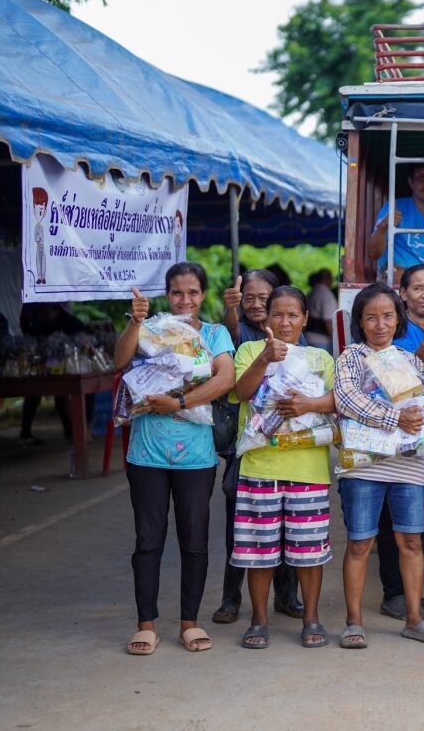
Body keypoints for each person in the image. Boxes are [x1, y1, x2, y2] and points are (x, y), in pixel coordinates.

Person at [114, 262, 235, 655]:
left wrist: (177, 402)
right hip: (147, 453)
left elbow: (225, 378)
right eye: (177, 292)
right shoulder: (150, 330)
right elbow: (119, 362)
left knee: (194, 541)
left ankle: (189, 623)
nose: (185, 300)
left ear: (203, 295)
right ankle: (145, 624)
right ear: (168, 294)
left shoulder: (215, 334)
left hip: (196, 456)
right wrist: (135, 323)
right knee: (148, 540)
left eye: (193, 292)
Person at [334, 283, 424, 648]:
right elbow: (347, 400)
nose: (380, 324)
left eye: (387, 316)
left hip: (407, 465)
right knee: (359, 543)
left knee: (411, 541)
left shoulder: (410, 360)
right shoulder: (351, 357)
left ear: (398, 319)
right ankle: (354, 623)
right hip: (364, 465)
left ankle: (414, 619)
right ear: (360, 322)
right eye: (371, 317)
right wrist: (394, 418)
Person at [230, 286, 335, 650]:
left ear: (305, 319)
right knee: (259, 552)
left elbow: (336, 401)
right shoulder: (248, 350)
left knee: (309, 552)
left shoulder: (320, 358)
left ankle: (311, 618)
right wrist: (263, 359)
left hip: (308, 468)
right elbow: (241, 393)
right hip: (260, 466)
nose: (285, 321)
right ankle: (259, 621)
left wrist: (309, 403)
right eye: (278, 314)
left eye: (293, 315)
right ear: (266, 318)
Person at [213, 268, 304, 622]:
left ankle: (287, 595)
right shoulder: (235, 335)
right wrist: (231, 309)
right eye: (247, 297)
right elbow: (232, 329)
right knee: (240, 523)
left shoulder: (294, 338)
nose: (254, 304)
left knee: (286, 524)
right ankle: (231, 599)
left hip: (283, 445)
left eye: (262, 298)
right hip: (244, 444)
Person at [376, 264, 424, 620]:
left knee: (413, 523)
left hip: (423, 442)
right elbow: (394, 383)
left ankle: (406, 589)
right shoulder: (395, 330)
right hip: (393, 442)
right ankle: (394, 593)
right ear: (403, 293)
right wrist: (423, 352)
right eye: (417, 288)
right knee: (391, 522)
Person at [366, 164, 424, 283]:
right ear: (411, 183)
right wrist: (383, 227)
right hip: (393, 279)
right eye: (421, 177)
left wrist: (414, 278)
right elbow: (373, 255)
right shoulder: (393, 208)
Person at [17, 302, 89, 445]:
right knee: (33, 394)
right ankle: (25, 433)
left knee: (62, 397)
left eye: (46, 312)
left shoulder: (68, 322)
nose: (43, 315)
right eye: (41, 312)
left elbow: (84, 340)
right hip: (40, 364)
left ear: (55, 310)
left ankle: (71, 433)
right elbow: (28, 334)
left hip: (66, 365)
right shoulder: (37, 321)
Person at [305, 268, 337, 352]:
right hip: (321, 339)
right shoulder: (326, 294)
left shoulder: (312, 292)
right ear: (329, 279)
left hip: (308, 336)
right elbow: (328, 321)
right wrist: (335, 340)